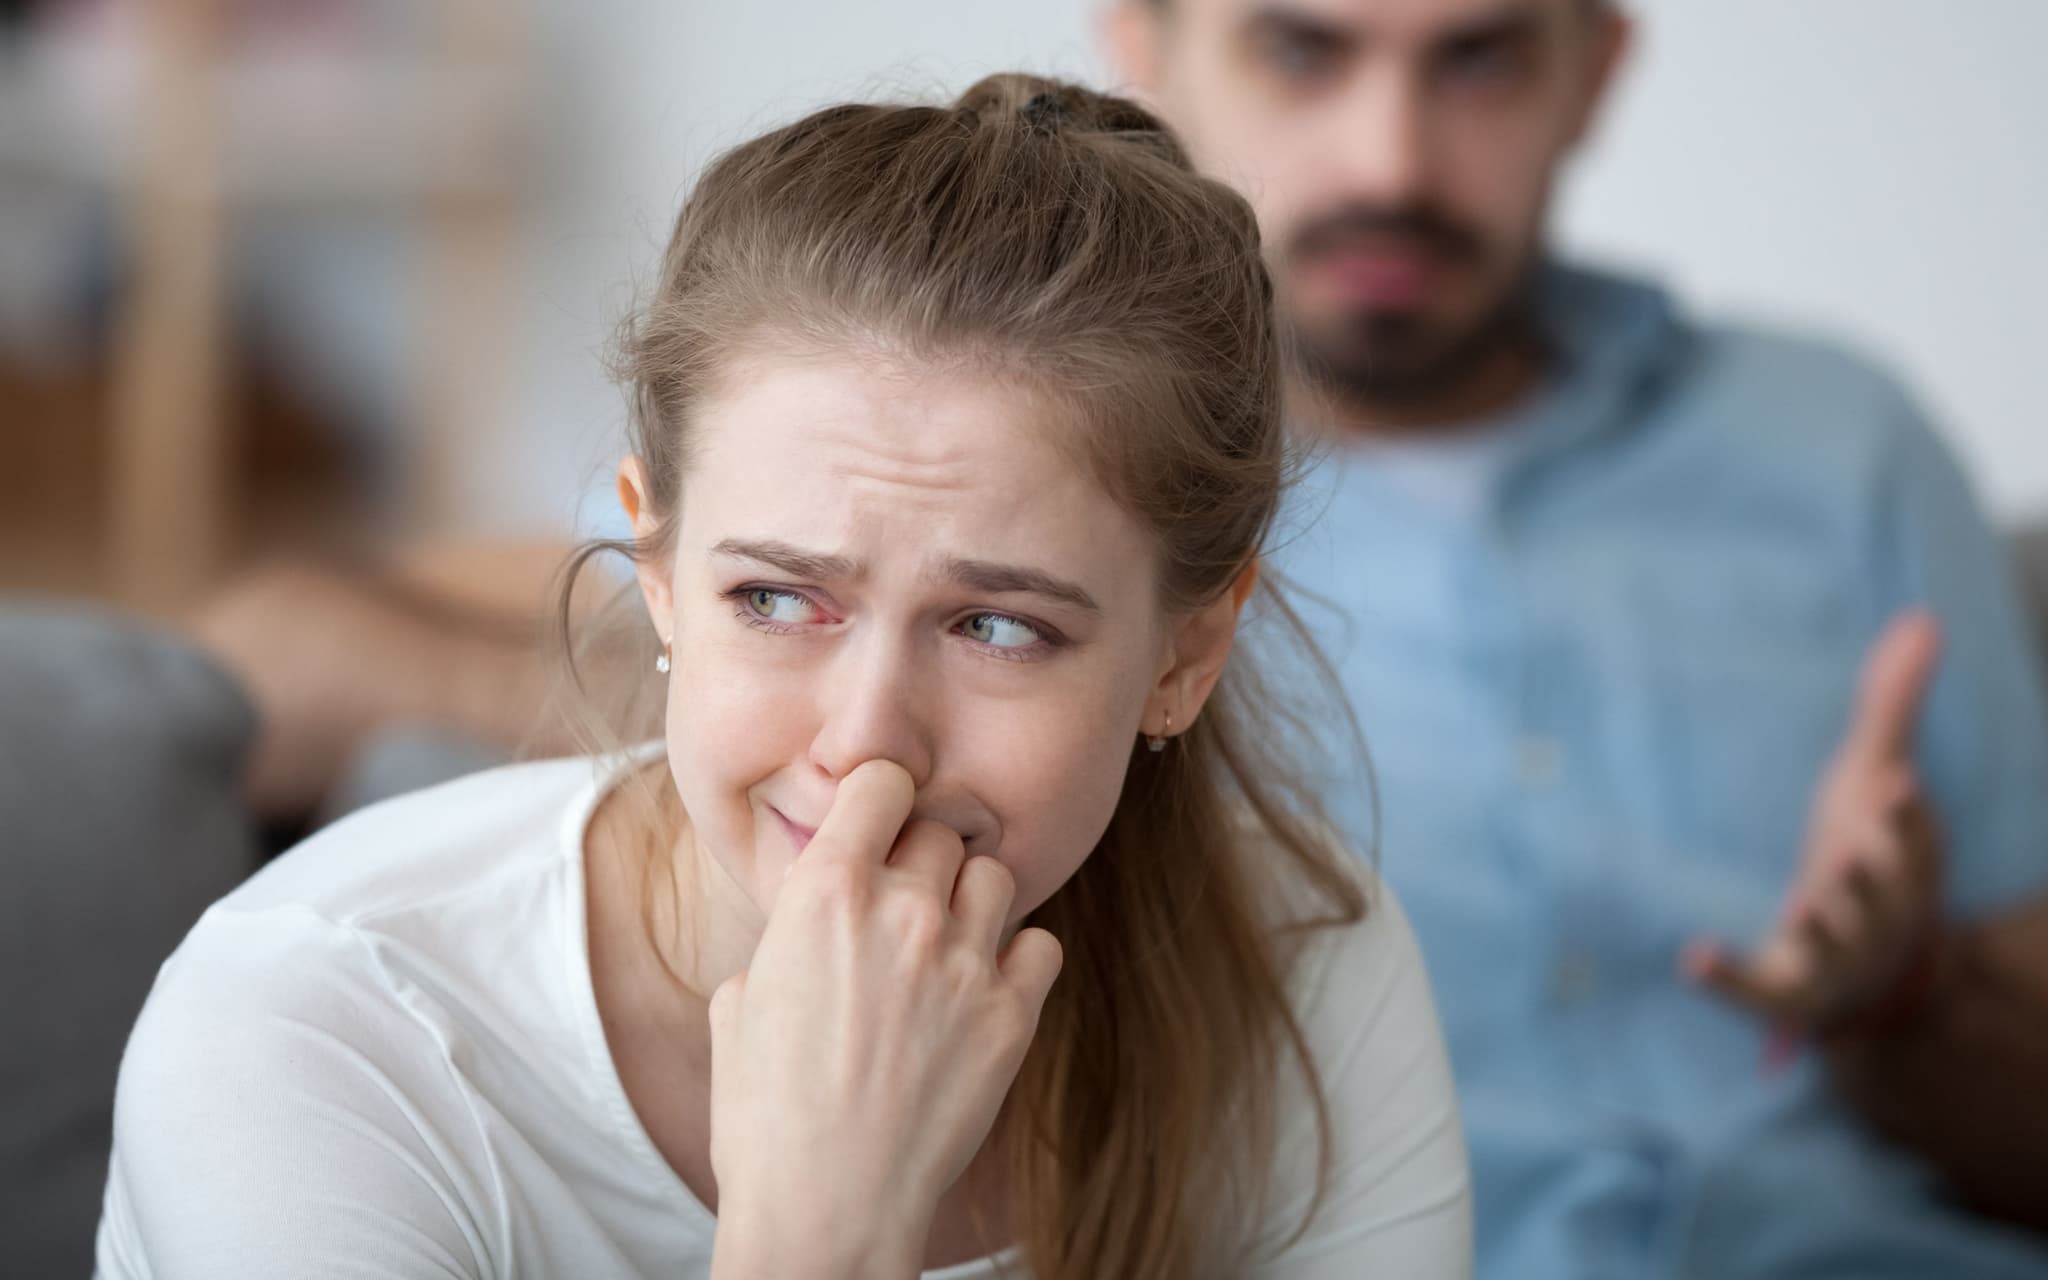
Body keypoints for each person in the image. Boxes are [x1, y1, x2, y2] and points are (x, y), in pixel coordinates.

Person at [93, 76, 1472, 1279]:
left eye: (999, 628)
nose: (869, 748)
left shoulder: (1308, 978)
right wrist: (821, 1228)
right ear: (659, 573)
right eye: (776, 598)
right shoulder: (317, 1031)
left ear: (1187, 654)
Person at [1102, 0, 2048, 1274]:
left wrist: (1902, 991)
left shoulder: (1844, 441)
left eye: (1478, 59)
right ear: (1147, 59)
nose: (1393, 164)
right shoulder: (1069, 524)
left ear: (1592, 75)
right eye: (1300, 51)